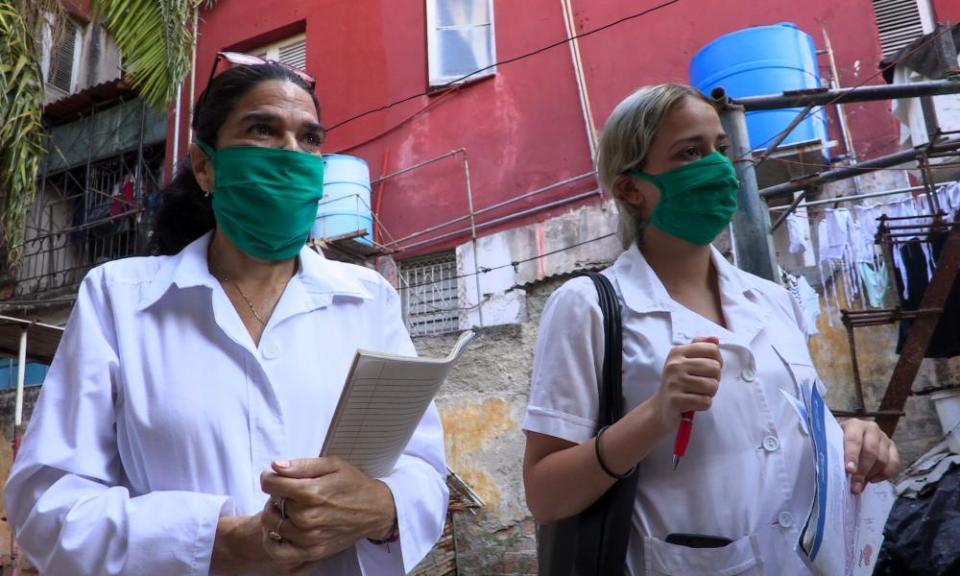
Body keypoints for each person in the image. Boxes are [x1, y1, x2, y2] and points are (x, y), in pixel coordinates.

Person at [4, 57, 448, 576]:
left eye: (309, 139)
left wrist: (380, 507)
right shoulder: (119, 299)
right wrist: (215, 542)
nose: (290, 153)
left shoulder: (368, 299)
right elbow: (46, 504)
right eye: (263, 129)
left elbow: (424, 471)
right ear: (204, 166)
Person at [521, 83, 900, 575]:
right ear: (631, 187)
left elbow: (792, 427)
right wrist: (656, 414)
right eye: (689, 153)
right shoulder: (589, 306)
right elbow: (546, 495)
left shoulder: (771, 298)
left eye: (720, 149)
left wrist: (853, 436)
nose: (718, 169)